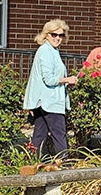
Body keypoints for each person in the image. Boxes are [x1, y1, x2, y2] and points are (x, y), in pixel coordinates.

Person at [24, 19, 77, 160]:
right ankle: (64, 166)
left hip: (44, 101)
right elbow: (49, 79)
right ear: (46, 35)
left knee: (40, 135)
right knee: (59, 134)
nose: (58, 38)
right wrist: (67, 79)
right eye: (54, 35)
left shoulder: (52, 50)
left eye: (61, 35)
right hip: (50, 101)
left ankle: (32, 163)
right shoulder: (46, 51)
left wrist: (66, 82)